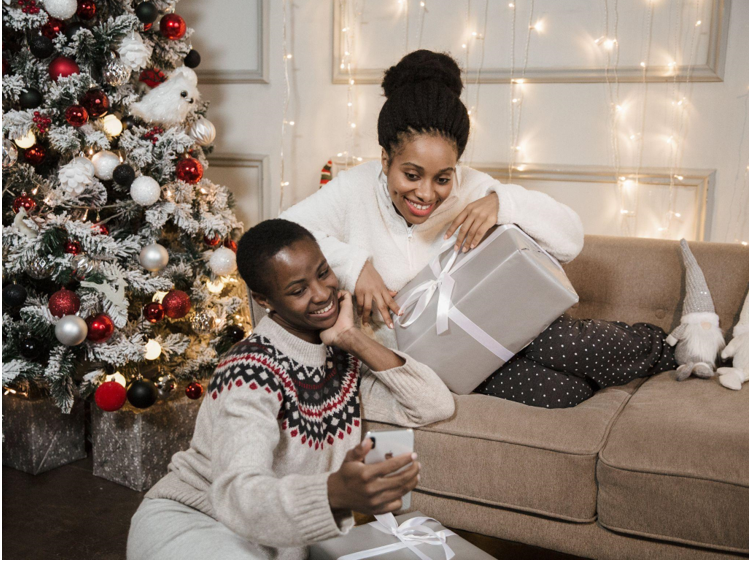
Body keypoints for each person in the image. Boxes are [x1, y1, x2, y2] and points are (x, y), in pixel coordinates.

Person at [281, 49, 676, 409]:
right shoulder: (355, 187)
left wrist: (503, 203)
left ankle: (670, 346)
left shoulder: (473, 186)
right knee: (566, 394)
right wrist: (355, 264)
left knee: (566, 344)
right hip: (437, 358)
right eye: (411, 174)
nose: (425, 194)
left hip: (497, 319)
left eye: (442, 178)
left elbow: (570, 239)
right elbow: (279, 232)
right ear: (385, 160)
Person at [127, 219, 454, 560]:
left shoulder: (342, 360)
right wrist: (334, 493)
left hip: (272, 540)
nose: (322, 293)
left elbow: (432, 404)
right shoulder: (249, 371)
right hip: (196, 521)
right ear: (264, 299)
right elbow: (239, 494)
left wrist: (351, 338)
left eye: (323, 272)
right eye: (298, 290)